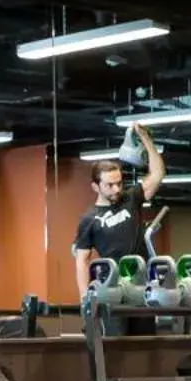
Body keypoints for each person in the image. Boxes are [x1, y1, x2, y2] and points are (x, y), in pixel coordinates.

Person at [71, 124, 165, 301]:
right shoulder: (89, 219)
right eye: (109, 185)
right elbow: (82, 261)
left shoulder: (131, 198)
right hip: (113, 286)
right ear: (95, 187)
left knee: (145, 329)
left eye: (119, 183)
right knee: (117, 329)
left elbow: (158, 174)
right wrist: (85, 297)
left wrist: (146, 139)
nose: (116, 189)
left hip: (141, 282)